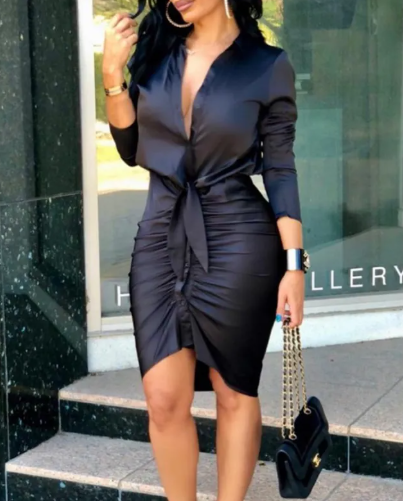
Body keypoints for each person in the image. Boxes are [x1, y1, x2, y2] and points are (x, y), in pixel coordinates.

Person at [102, 1, 309, 499]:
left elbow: (280, 169)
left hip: (239, 240)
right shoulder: (157, 51)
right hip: (160, 235)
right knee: (162, 398)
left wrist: (294, 265)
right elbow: (131, 149)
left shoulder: (266, 65)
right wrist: (112, 76)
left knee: (233, 390)